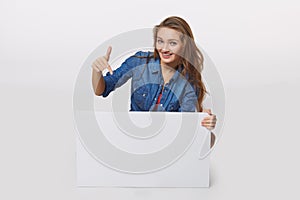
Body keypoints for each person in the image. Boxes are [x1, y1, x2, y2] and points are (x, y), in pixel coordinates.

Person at [91, 16, 216, 145]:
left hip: (165, 143)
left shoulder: (189, 81)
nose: (164, 48)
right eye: (160, 41)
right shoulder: (139, 61)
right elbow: (101, 89)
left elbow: (183, 128)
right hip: (134, 137)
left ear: (185, 46)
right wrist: (97, 71)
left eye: (172, 43)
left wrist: (201, 122)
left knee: (207, 138)